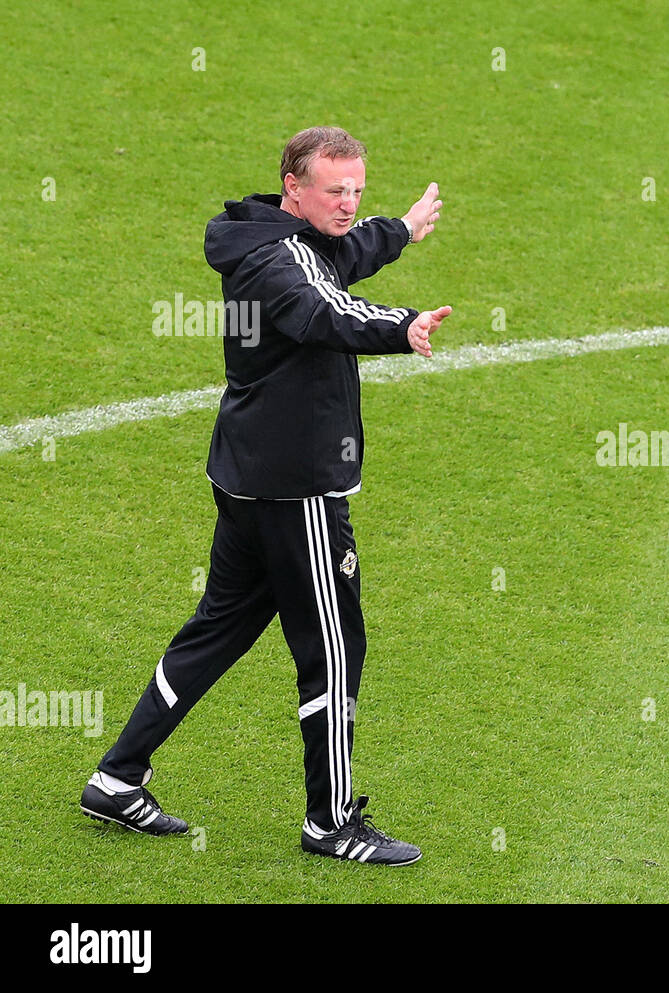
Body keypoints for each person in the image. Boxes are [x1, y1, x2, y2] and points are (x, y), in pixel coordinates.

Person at [79, 126, 451, 866]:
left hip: (247, 474)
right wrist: (401, 324)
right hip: (296, 490)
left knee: (217, 628)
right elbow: (324, 310)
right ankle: (332, 822)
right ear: (293, 187)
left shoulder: (275, 238)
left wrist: (400, 231)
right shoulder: (281, 262)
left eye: (356, 190)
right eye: (333, 191)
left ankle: (117, 777)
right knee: (336, 651)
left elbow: (342, 257)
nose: (347, 204)